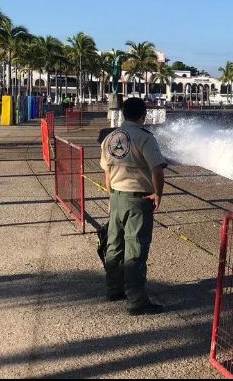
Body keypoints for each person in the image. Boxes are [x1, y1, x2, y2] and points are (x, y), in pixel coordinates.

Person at [100, 97, 167, 315]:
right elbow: (157, 170)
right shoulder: (144, 138)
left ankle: (114, 289)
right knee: (136, 248)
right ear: (143, 115)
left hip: (116, 196)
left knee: (114, 246)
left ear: (123, 114)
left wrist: (111, 196)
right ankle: (137, 300)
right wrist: (158, 194)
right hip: (138, 199)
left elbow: (107, 172)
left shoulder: (110, 138)